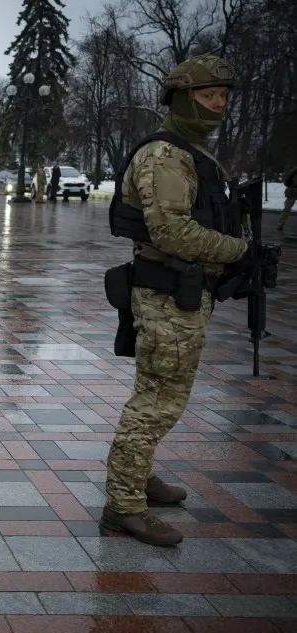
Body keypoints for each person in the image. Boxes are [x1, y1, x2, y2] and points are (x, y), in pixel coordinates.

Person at [103, 54, 278, 546]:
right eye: (207, 96)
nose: (217, 105)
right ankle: (124, 505)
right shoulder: (166, 156)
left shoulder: (195, 152)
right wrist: (241, 251)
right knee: (158, 402)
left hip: (180, 291)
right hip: (167, 293)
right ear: (181, 98)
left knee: (158, 394)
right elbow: (172, 229)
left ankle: (137, 478)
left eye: (223, 96)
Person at [278, 166, 296, 232]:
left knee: (286, 209)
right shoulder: (294, 172)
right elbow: (286, 182)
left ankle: (281, 224)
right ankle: (281, 224)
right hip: (293, 192)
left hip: (293, 191)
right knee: (286, 209)